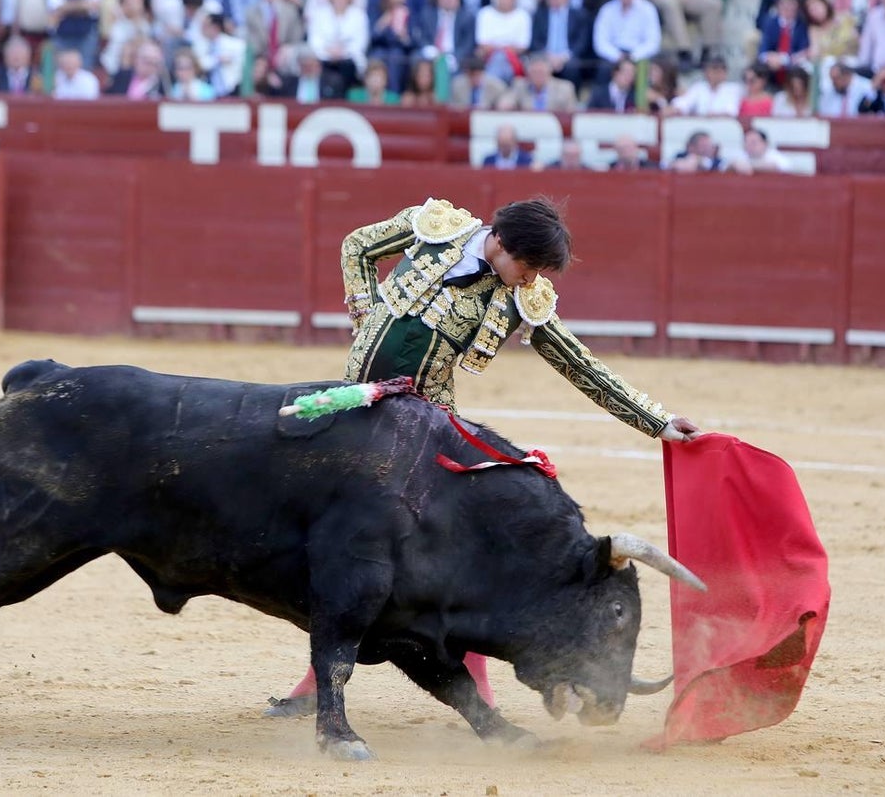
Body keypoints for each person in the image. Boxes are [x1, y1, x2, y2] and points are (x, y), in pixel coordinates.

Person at [263, 195, 701, 718]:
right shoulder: (435, 228)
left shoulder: (521, 296)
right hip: (358, 412)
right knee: (344, 553)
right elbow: (356, 246)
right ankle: (316, 686)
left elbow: (578, 363)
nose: (531, 279)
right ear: (502, 243)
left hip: (425, 436)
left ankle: (476, 693)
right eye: (530, 265)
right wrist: (365, 311)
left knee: (452, 559)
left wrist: (656, 421)